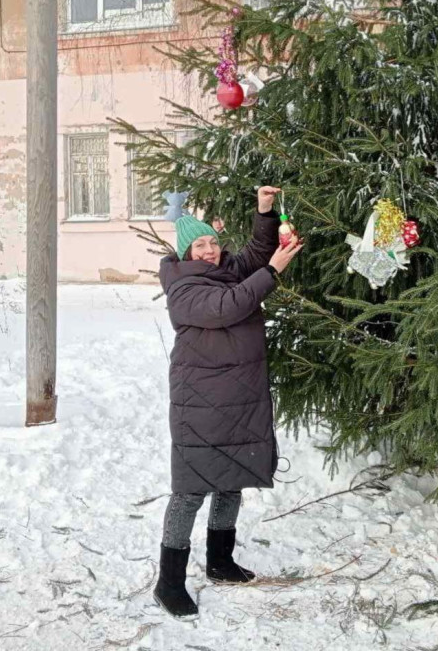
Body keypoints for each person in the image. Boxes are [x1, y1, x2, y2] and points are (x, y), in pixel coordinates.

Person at [153, 186, 302, 619]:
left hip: (237, 395)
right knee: (190, 490)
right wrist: (272, 272)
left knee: (231, 480)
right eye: (199, 244)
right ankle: (169, 582)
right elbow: (226, 307)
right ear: (184, 252)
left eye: (213, 242)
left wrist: (265, 211)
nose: (209, 250)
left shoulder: (223, 269)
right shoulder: (184, 288)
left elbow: (255, 253)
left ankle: (220, 561)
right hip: (200, 401)